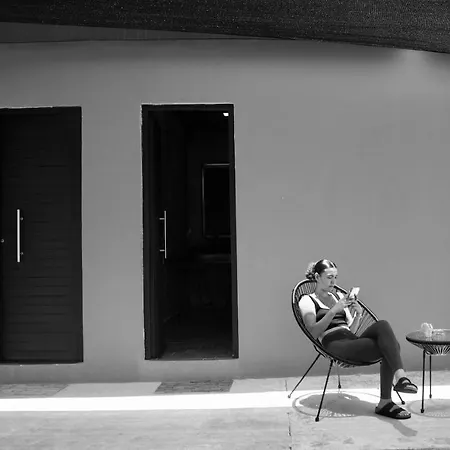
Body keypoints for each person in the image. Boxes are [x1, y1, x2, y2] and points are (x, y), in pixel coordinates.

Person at [298, 259, 418, 420]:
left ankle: (400, 380)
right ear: (317, 277)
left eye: (335, 277)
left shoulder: (338, 296)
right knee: (392, 346)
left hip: (350, 340)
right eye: (329, 277)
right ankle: (388, 398)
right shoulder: (307, 300)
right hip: (333, 344)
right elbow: (312, 332)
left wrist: (358, 315)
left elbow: (350, 330)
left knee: (383, 326)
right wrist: (333, 310)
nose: (333, 281)